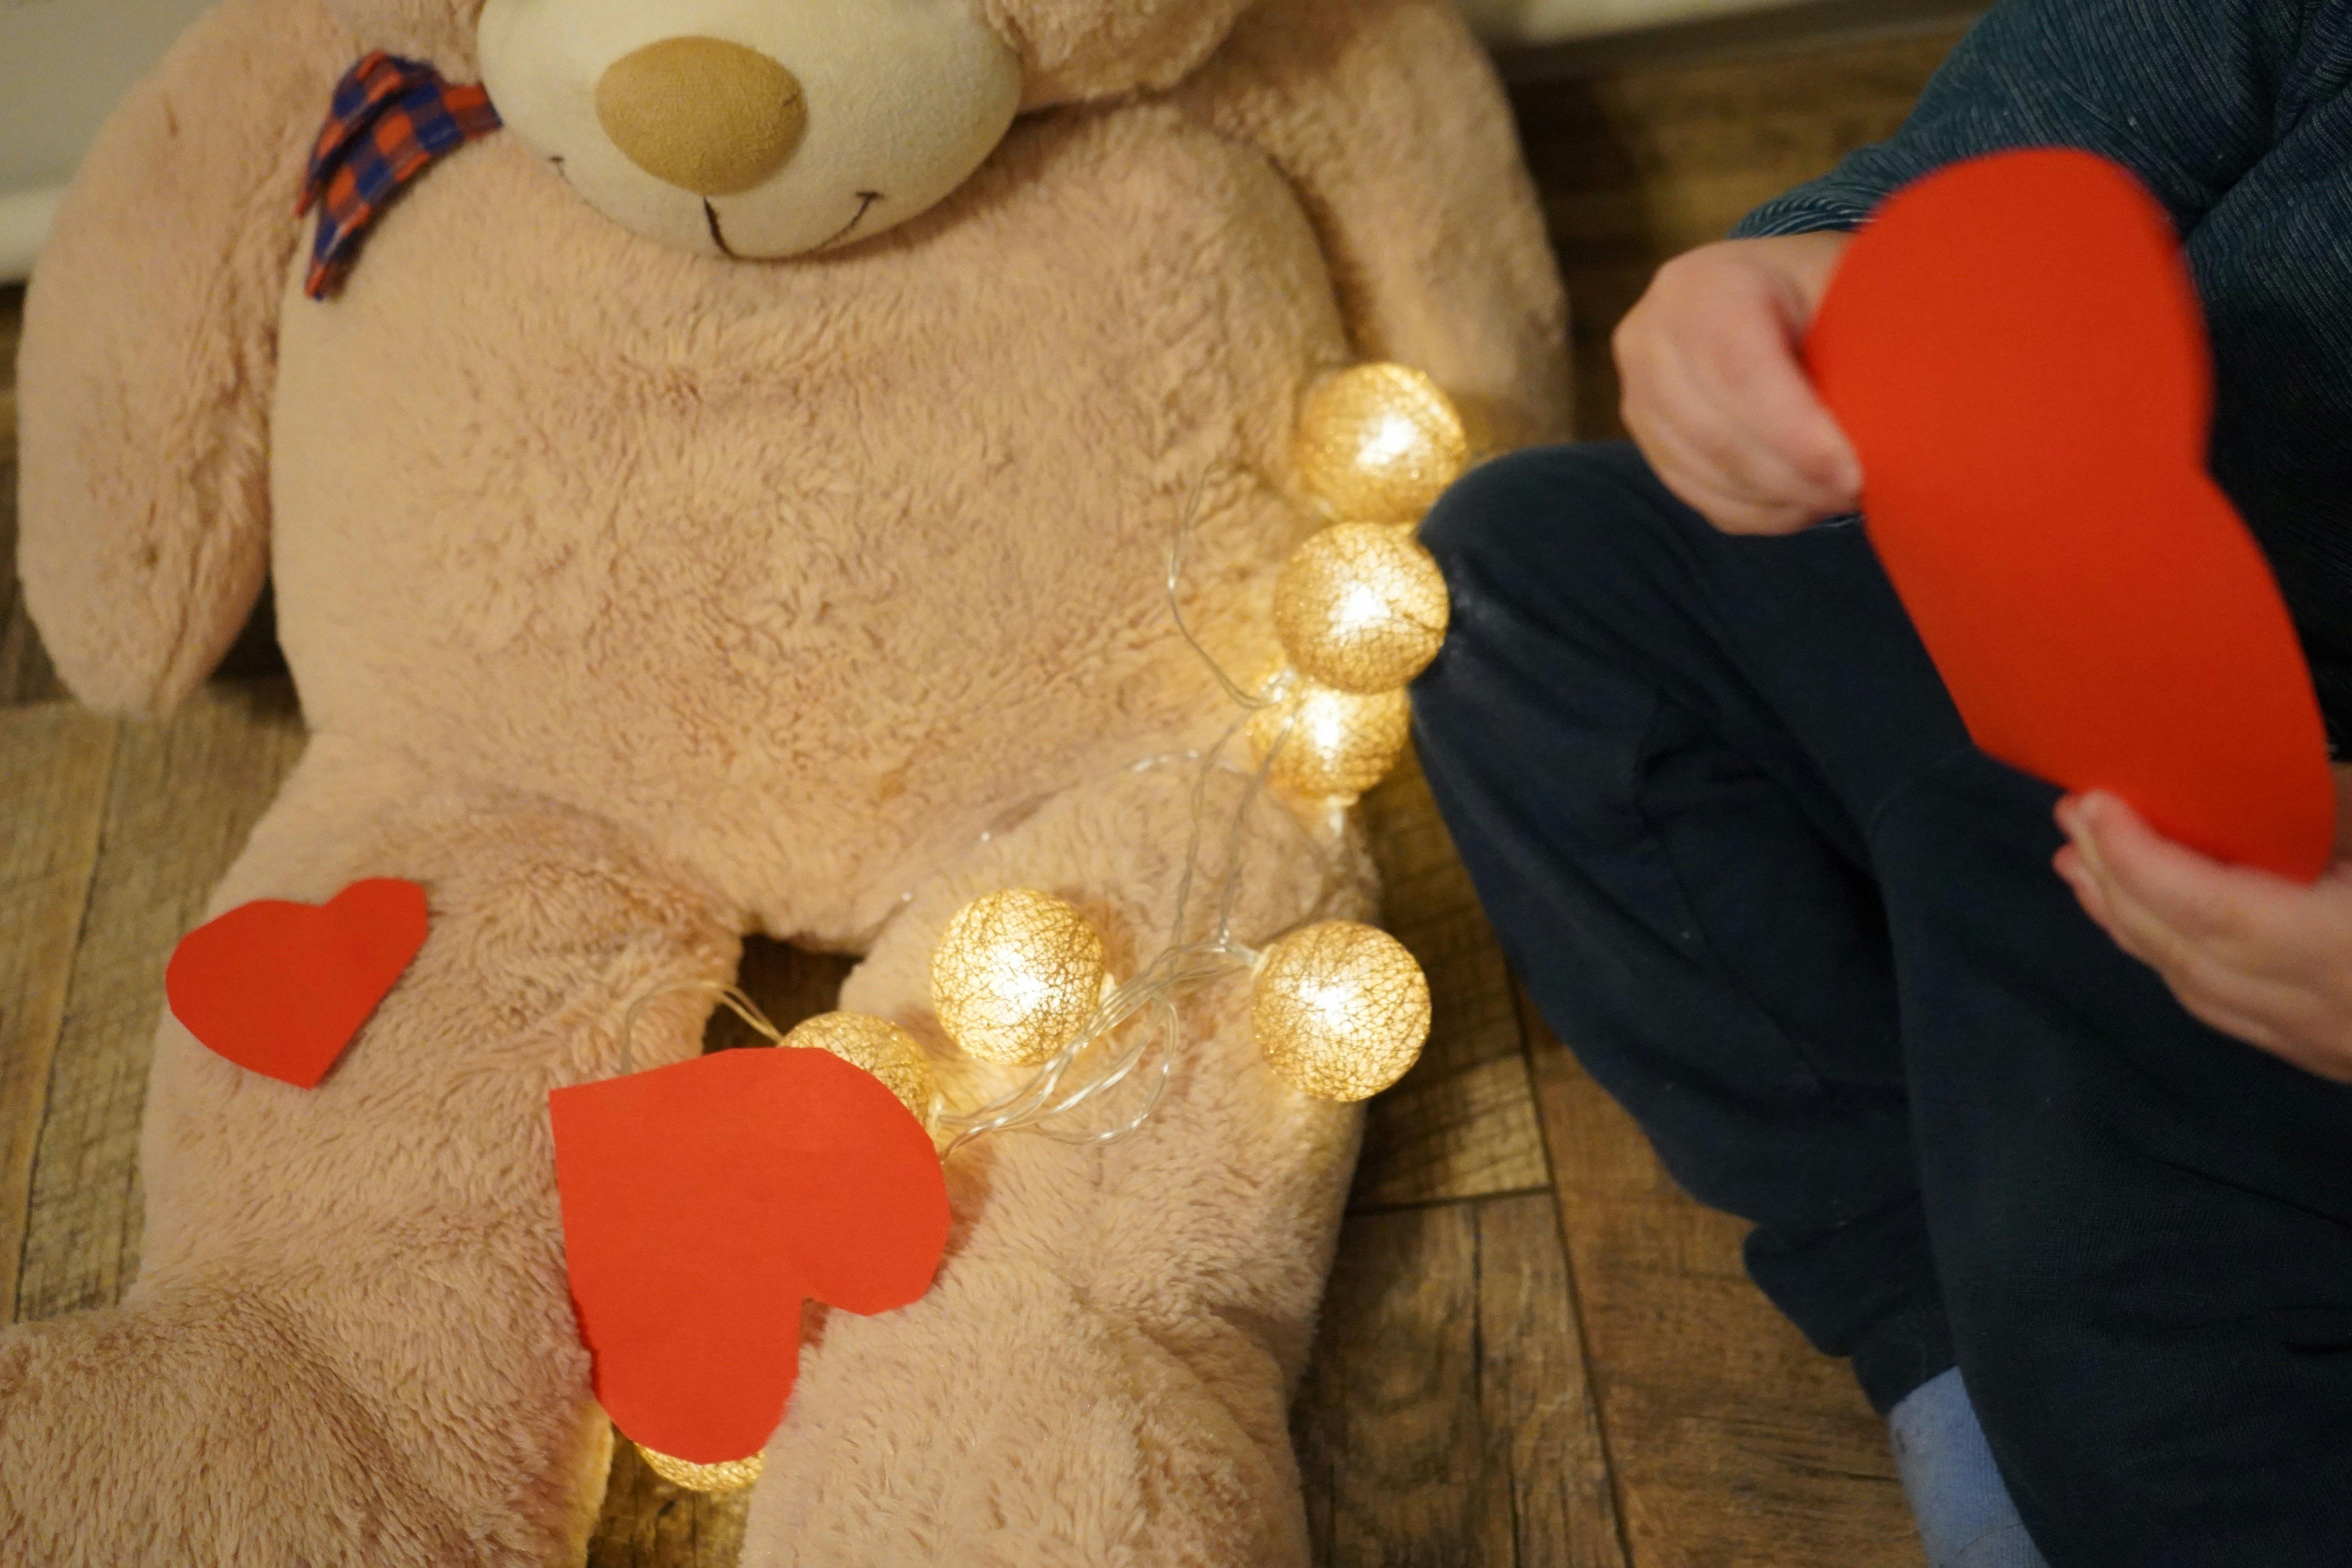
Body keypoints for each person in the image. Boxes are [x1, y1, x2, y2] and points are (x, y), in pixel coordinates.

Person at [1408, 2, 2352, 1565]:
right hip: (2080, 633)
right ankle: (1940, 1336)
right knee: (1515, 586)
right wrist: (1797, 287)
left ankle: (2033, 1339)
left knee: (2169, 1422)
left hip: (2290, 957)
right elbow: (2032, 144)